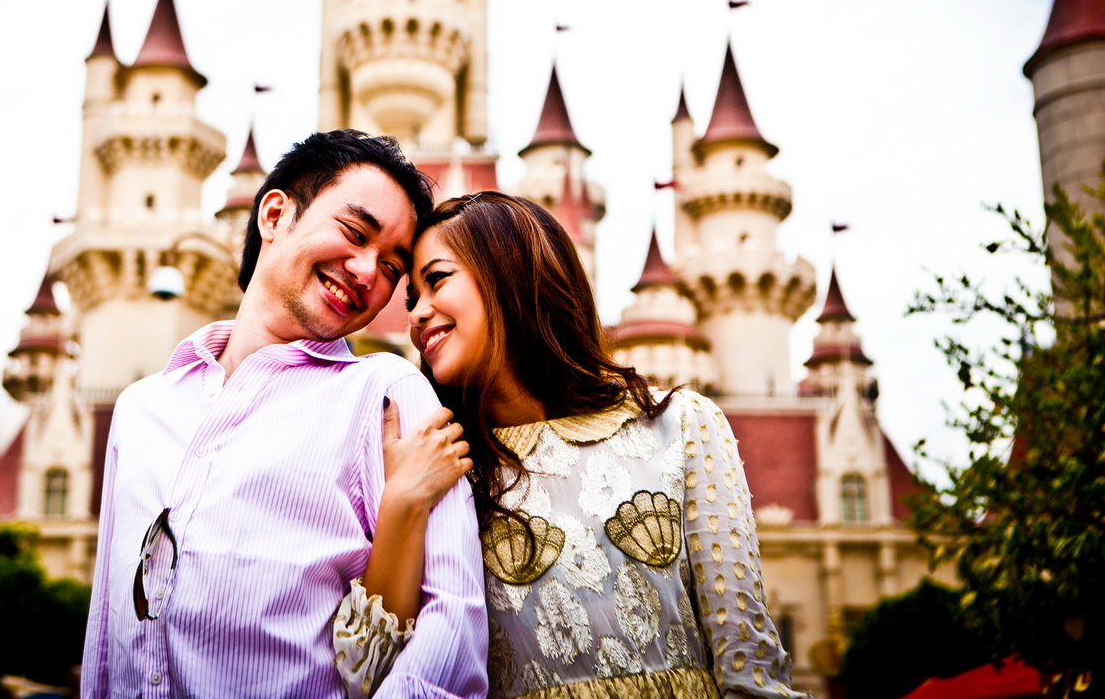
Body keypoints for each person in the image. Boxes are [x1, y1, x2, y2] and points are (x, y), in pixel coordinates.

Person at [335, 192, 807, 699]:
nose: (416, 315)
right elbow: (367, 678)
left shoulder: (682, 428)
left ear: (510, 271)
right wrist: (403, 501)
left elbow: (751, 671)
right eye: (411, 299)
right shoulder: (445, 466)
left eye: (437, 280)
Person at [82, 130, 488, 698]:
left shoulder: (385, 397)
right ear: (274, 215)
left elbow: (451, 629)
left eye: (392, 268)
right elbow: (107, 629)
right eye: (354, 232)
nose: (367, 272)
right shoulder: (141, 410)